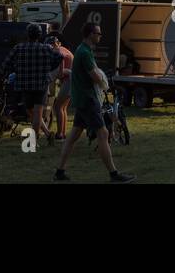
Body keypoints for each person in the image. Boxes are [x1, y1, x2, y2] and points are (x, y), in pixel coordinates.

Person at [54, 22, 134, 183]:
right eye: (98, 33)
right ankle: (114, 174)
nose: (100, 36)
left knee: (73, 136)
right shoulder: (84, 52)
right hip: (88, 99)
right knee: (103, 133)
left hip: (82, 99)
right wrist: (105, 85)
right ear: (90, 34)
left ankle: (59, 172)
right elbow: (95, 76)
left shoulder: (83, 50)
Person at [1, 24, 63, 144]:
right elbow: (59, 57)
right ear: (40, 35)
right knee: (37, 114)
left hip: (25, 85)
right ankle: (41, 136)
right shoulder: (46, 48)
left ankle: (34, 140)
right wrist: (49, 67)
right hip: (41, 85)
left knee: (32, 112)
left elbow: (6, 62)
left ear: (27, 35)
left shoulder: (18, 48)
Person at [48, 33, 74, 140]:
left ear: (58, 44)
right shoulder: (63, 49)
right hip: (72, 80)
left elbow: (60, 73)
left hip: (69, 81)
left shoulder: (59, 52)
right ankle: (62, 133)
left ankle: (59, 134)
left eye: (52, 45)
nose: (51, 48)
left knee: (57, 107)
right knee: (63, 108)